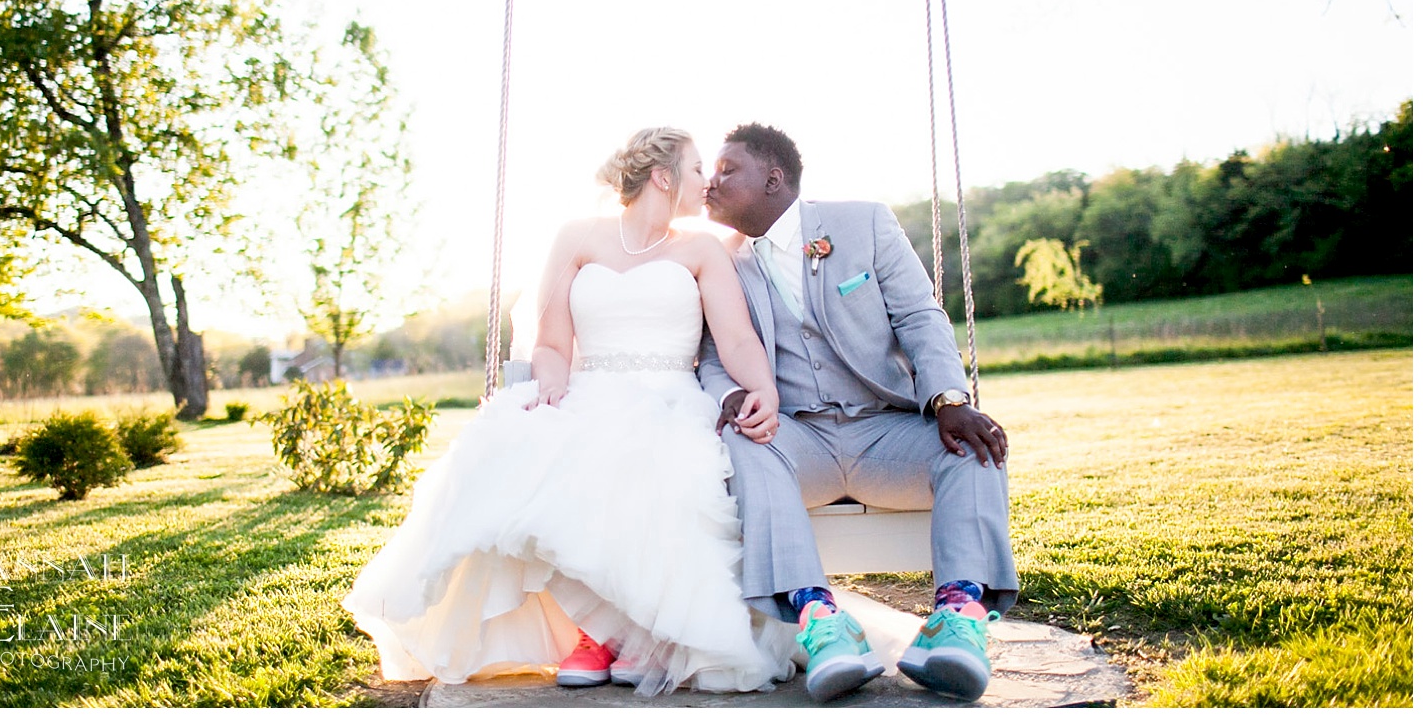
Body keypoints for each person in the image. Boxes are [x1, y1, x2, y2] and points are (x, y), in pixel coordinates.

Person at [343, 127, 797, 697]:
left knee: (661, 470)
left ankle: (635, 635)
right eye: (697, 167)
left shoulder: (702, 249)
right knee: (533, 453)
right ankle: (594, 632)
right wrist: (552, 385)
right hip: (589, 388)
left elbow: (735, 339)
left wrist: (765, 391)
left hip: (670, 398)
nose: (706, 181)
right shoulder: (577, 238)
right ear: (663, 176)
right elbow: (552, 343)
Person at [698, 122, 1019, 704]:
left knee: (977, 447)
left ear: (773, 180)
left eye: (726, 170)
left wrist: (949, 399)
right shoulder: (719, 262)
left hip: (885, 429)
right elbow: (713, 357)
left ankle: (956, 622)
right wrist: (733, 400)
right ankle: (823, 623)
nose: (708, 183)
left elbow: (921, 317)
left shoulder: (863, 223)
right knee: (747, 443)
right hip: (795, 435)